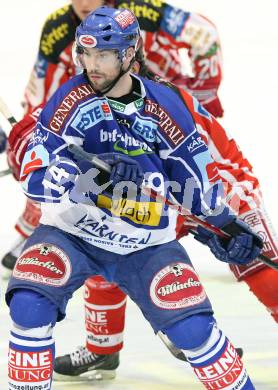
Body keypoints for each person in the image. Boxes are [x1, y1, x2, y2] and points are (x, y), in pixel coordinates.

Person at [5, 1, 278, 383]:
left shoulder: (163, 87)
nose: (91, 63)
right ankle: (103, 349)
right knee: (91, 244)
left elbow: (198, 185)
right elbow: (41, 141)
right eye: (86, 53)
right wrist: (34, 153)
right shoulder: (66, 62)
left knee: (250, 253)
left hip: (198, 168)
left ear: (129, 54)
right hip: (119, 202)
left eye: (103, 54)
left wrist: (221, 226)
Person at [1, 0, 224, 272]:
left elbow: (205, 36)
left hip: (161, 117)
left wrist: (201, 94)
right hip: (98, 115)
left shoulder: (143, 10)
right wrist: (29, 137)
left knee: (180, 183)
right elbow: (43, 94)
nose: (83, 3)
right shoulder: (58, 27)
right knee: (65, 168)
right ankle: (34, 225)